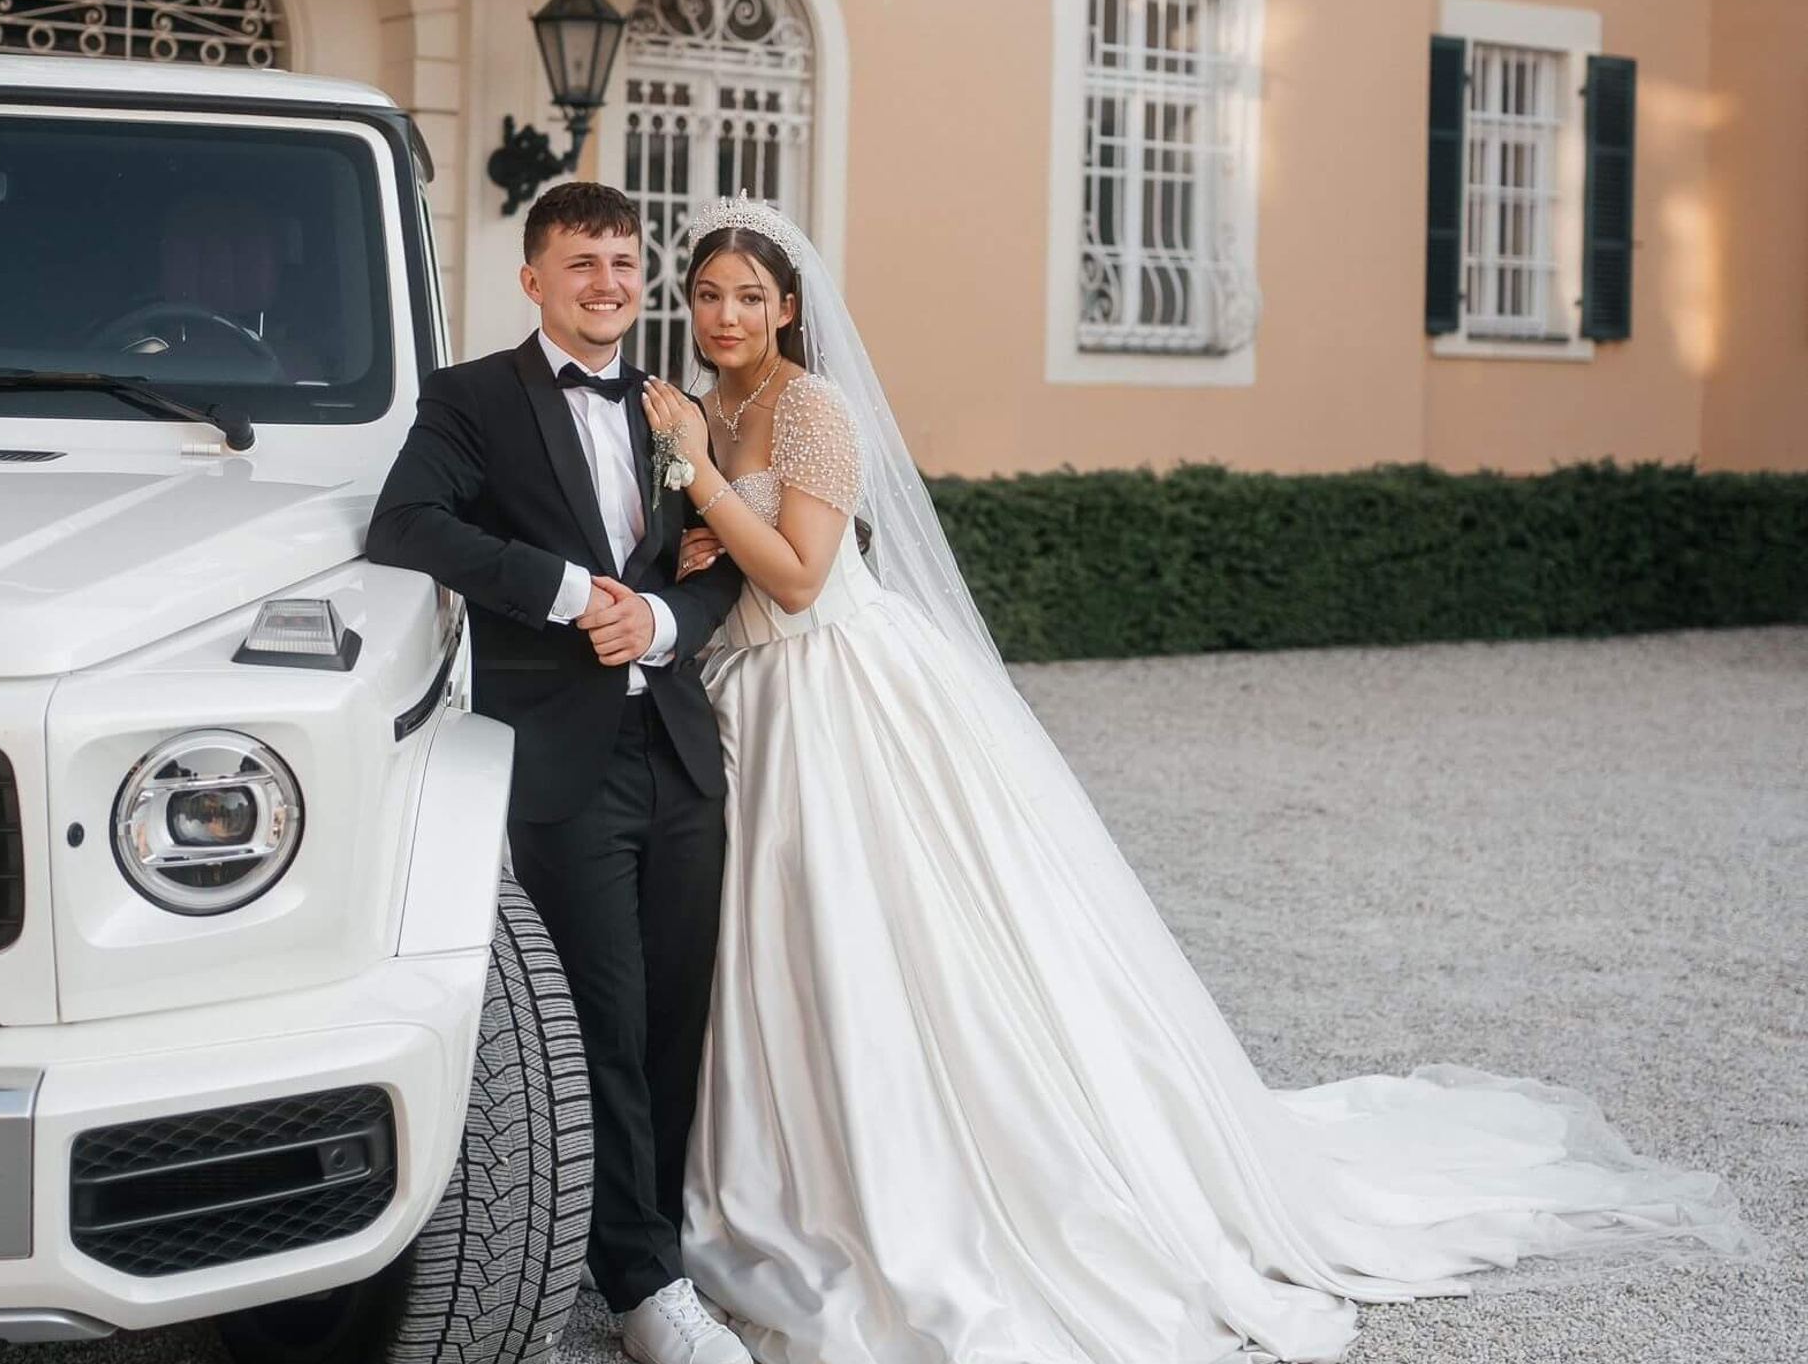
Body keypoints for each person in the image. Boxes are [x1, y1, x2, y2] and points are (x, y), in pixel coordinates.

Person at [637, 193, 1758, 1364]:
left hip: (839, 694)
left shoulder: (811, 407)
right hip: (744, 703)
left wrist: (704, 482)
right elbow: (716, 565)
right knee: (782, 952)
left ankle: (949, 1189)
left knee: (886, 942)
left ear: (791, 306)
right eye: (710, 295)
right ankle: (791, 1171)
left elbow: (808, 580)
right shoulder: (706, 404)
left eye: (749, 296)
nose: (725, 314)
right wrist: (698, 518)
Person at [366, 182, 750, 1364]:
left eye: (626, 262)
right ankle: (639, 1289)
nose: (610, 284)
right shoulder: (473, 398)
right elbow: (406, 525)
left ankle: (661, 1243)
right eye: (583, 263)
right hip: (561, 757)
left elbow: (718, 559)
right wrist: (578, 594)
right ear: (533, 279)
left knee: (682, 1010)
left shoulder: (674, 409)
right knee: (606, 1017)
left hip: (680, 744)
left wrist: (668, 625)